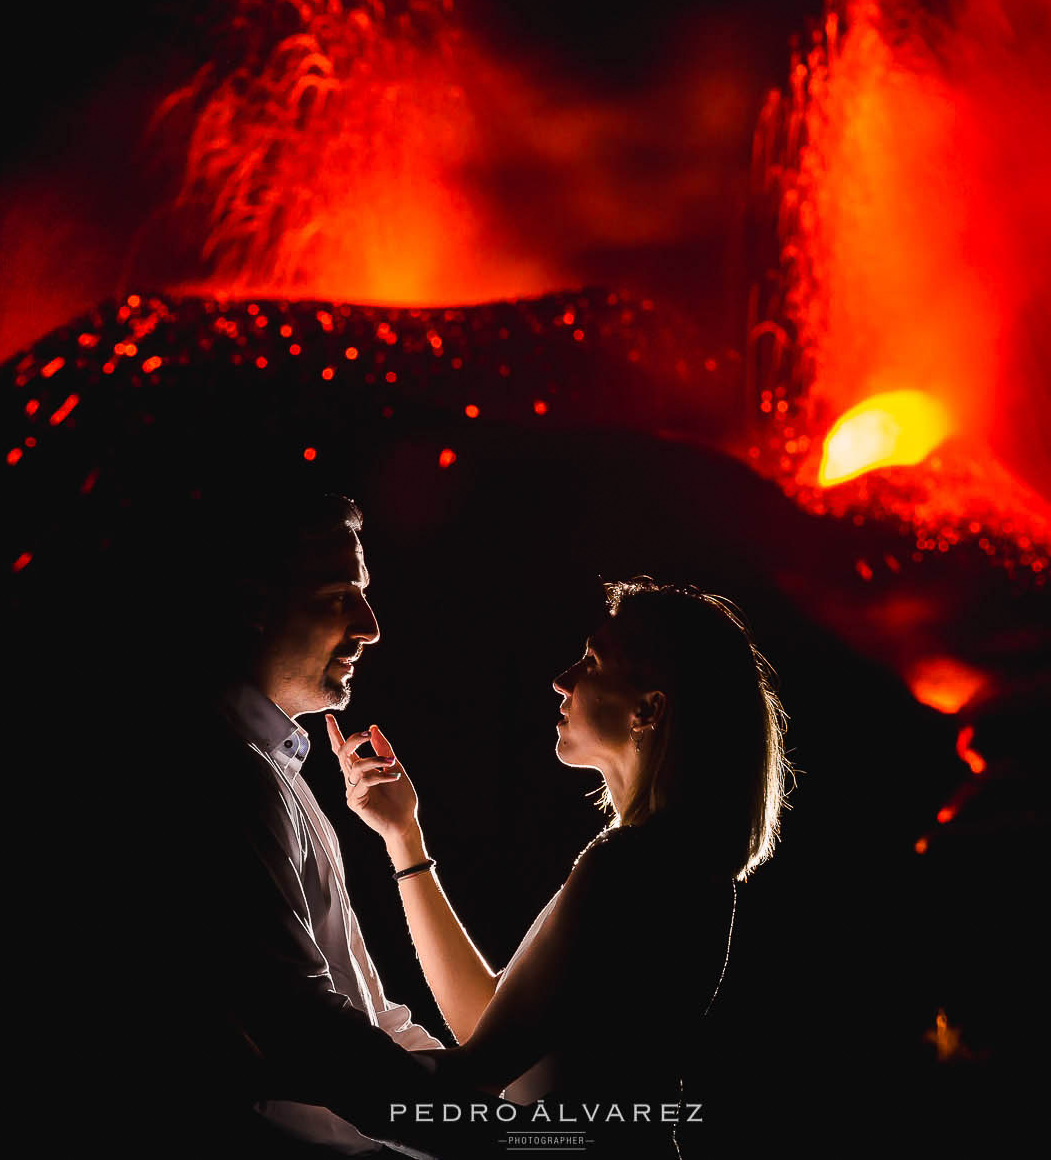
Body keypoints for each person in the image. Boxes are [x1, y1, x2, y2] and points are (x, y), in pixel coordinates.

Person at [330, 577, 794, 1156]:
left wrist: (301, 1061)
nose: (562, 679)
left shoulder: (629, 866)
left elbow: (478, 1070)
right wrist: (404, 836)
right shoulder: (665, 859)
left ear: (648, 710)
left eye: (592, 662)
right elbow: (490, 1025)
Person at [212, 489, 454, 1156]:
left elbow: (366, 1012)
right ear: (256, 605)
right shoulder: (227, 771)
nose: (371, 625)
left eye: (363, 594)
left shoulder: (279, 767)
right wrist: (495, 1133)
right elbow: (301, 1024)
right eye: (339, 596)